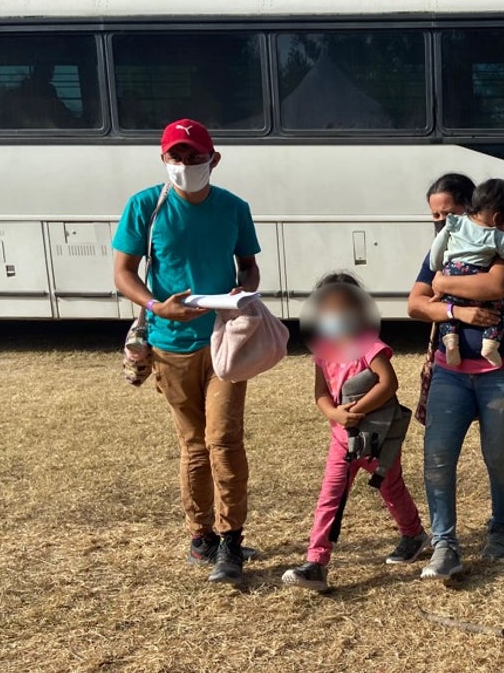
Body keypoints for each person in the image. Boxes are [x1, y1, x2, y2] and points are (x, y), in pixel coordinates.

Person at [111, 118, 261, 586]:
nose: (185, 165)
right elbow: (123, 273)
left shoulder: (234, 208)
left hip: (224, 341)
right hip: (168, 344)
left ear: (213, 160)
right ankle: (202, 538)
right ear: (163, 160)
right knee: (194, 444)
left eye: (195, 157)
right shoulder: (144, 207)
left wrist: (242, 291)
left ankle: (231, 541)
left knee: (224, 439)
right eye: (176, 157)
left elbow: (250, 266)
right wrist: (157, 306)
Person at [408, 174, 504, 579]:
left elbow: (494, 285)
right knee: (437, 457)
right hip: (452, 375)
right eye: (435, 215)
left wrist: (441, 284)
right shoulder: (446, 245)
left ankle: (501, 530)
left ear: (470, 209)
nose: (440, 221)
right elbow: (415, 304)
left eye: (447, 212)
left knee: (498, 457)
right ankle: (444, 544)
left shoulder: (501, 243)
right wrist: (455, 312)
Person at [282, 273, 428, 592]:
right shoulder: (323, 351)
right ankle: (316, 562)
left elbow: (388, 383)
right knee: (330, 496)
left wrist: (358, 409)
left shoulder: (369, 345)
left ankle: (414, 534)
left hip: (377, 436)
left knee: (391, 486)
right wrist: (335, 413)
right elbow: (321, 394)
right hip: (341, 439)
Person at [428, 185, 504, 368]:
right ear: (498, 218)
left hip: (451, 270)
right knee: (497, 311)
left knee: (448, 306)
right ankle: (490, 345)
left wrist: (438, 269)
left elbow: (437, 246)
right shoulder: (496, 236)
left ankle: (450, 339)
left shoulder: (454, 223)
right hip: (474, 274)